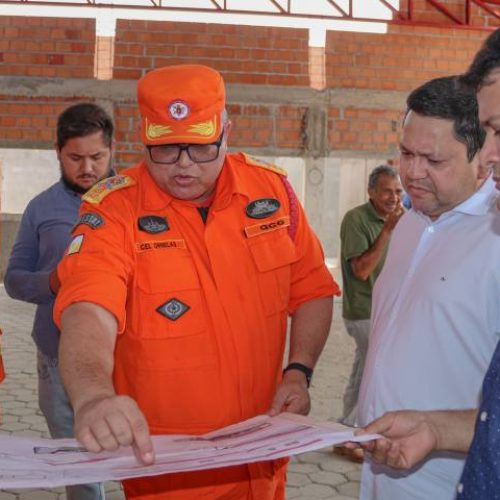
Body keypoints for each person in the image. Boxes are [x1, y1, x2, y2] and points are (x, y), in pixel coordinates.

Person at [52, 64, 340, 500]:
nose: (184, 166)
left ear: (227, 130)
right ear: (144, 138)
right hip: (169, 466)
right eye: (166, 150)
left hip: (261, 453)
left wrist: (298, 372)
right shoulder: (114, 211)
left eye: (202, 148)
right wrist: (92, 395)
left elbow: (313, 290)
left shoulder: (273, 194)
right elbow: (89, 306)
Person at [356, 29, 500, 500]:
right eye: (405, 153)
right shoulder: (410, 224)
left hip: (451, 479)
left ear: (480, 155)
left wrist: (438, 431)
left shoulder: (493, 239)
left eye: (432, 159)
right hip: (381, 470)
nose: (412, 172)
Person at [4, 102, 115, 500]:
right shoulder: (41, 208)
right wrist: (53, 281)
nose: (87, 168)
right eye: (75, 158)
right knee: (76, 458)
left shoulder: (138, 203)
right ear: (57, 152)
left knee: (148, 455)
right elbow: (14, 280)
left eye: (97, 157)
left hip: (133, 353)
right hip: (56, 354)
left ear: (111, 150)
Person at [338, 164, 403, 428]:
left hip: (391, 310)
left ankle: (347, 423)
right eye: (386, 191)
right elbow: (362, 270)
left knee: (365, 366)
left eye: (398, 191)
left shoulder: (403, 218)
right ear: (371, 192)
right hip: (364, 311)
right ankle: (355, 427)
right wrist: (387, 230)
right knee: (373, 369)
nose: (394, 198)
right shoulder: (356, 219)